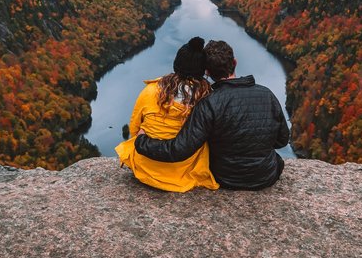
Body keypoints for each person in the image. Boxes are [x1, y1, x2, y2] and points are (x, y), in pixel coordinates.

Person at [135, 39, 290, 190]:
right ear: (234, 63)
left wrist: (142, 142)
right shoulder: (267, 94)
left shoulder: (209, 103)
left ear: (207, 72)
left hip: (226, 177)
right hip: (266, 175)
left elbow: (179, 149)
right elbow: (282, 140)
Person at [114, 37, 219, 192]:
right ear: (202, 70)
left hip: (146, 167)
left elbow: (134, 128)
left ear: (176, 65)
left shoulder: (151, 91)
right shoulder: (207, 99)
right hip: (184, 171)